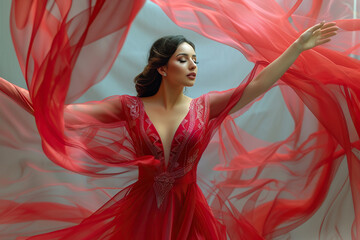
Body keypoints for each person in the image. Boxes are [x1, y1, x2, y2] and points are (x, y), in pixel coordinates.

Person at [0, 20, 339, 239]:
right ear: (161, 69)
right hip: (143, 211)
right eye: (183, 59)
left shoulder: (204, 106)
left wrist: (296, 47)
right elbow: (61, 115)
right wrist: (5, 87)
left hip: (189, 212)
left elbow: (260, 82)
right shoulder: (128, 107)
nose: (193, 66)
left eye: (195, 60)